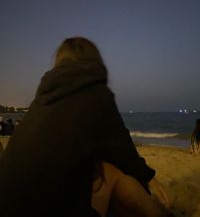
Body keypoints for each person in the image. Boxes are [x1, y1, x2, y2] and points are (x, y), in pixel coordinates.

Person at [0, 37, 171, 217]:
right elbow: (122, 147)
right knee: (114, 174)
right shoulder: (96, 94)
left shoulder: (42, 99)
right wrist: (148, 177)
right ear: (94, 61)